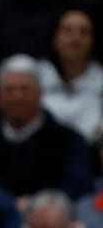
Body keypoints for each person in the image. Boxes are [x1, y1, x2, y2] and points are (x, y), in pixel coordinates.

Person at [0, 57, 95, 200]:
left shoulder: (68, 140)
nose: (17, 97)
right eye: (9, 90)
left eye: (25, 89)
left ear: (40, 94)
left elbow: (79, 185)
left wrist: (38, 202)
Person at [37, 9, 103, 147]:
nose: (76, 38)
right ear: (55, 38)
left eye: (84, 32)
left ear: (93, 40)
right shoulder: (34, 77)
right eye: (68, 31)